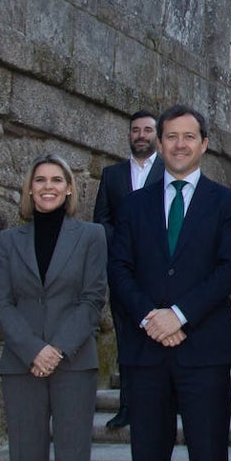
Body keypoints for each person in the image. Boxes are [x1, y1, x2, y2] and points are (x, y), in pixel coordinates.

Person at [106, 105, 231, 461]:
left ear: (204, 144)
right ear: (159, 144)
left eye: (190, 137)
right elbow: (119, 268)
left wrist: (180, 315)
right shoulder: (134, 204)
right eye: (171, 137)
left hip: (203, 352)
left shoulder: (226, 203)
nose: (180, 145)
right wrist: (151, 316)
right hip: (147, 354)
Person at [0, 154, 106, 461]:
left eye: (57, 180)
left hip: (73, 362)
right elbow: (2, 304)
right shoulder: (8, 241)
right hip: (20, 365)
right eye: (39, 180)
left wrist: (55, 349)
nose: (48, 186)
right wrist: (32, 350)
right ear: (29, 188)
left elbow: (93, 298)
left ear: (70, 189)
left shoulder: (91, 236)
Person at [93, 110, 164, 429]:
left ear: (157, 136)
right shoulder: (112, 175)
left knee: (158, 340)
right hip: (123, 272)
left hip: (159, 271)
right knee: (126, 341)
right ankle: (126, 406)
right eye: (135, 130)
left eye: (147, 130)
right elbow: (101, 220)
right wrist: (122, 242)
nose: (141, 135)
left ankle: (160, 405)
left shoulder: (168, 171)